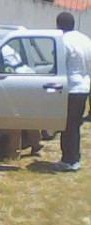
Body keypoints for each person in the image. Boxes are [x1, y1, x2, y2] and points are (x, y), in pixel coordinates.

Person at [54, 12, 91, 171]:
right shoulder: (85, 39)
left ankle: (69, 160)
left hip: (71, 88)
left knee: (67, 125)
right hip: (84, 86)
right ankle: (73, 157)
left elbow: (58, 63)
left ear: (59, 25)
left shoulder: (64, 41)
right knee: (74, 124)